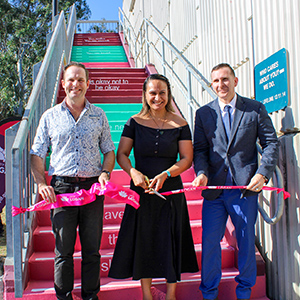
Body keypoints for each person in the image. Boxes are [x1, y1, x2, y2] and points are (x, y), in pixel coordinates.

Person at [192, 63, 279, 300]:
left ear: (235, 80)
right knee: (210, 244)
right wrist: (200, 172)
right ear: (212, 84)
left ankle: (244, 291)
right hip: (214, 192)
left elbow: (271, 143)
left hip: (244, 189)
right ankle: (209, 293)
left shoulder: (254, 109)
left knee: (246, 242)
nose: (221, 85)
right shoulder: (203, 114)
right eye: (216, 81)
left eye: (225, 79)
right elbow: (199, 149)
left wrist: (262, 173)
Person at [108, 74, 199, 300]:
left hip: (170, 191)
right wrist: (133, 172)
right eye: (153, 93)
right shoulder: (133, 122)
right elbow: (122, 154)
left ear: (168, 95)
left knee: (171, 239)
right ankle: (147, 295)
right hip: (141, 191)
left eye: (162, 93)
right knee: (144, 240)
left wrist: (167, 174)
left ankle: (171, 295)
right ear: (145, 95)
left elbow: (187, 158)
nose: (157, 97)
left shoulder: (181, 123)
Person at [30, 61, 115, 300]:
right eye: (71, 79)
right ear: (63, 83)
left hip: (92, 189)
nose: (75, 84)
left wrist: (105, 173)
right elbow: (37, 154)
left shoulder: (99, 115)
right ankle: (64, 297)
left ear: (88, 84)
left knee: (92, 250)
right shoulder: (50, 116)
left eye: (80, 80)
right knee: (63, 251)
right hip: (62, 189)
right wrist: (41, 183)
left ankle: (90, 296)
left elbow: (108, 150)